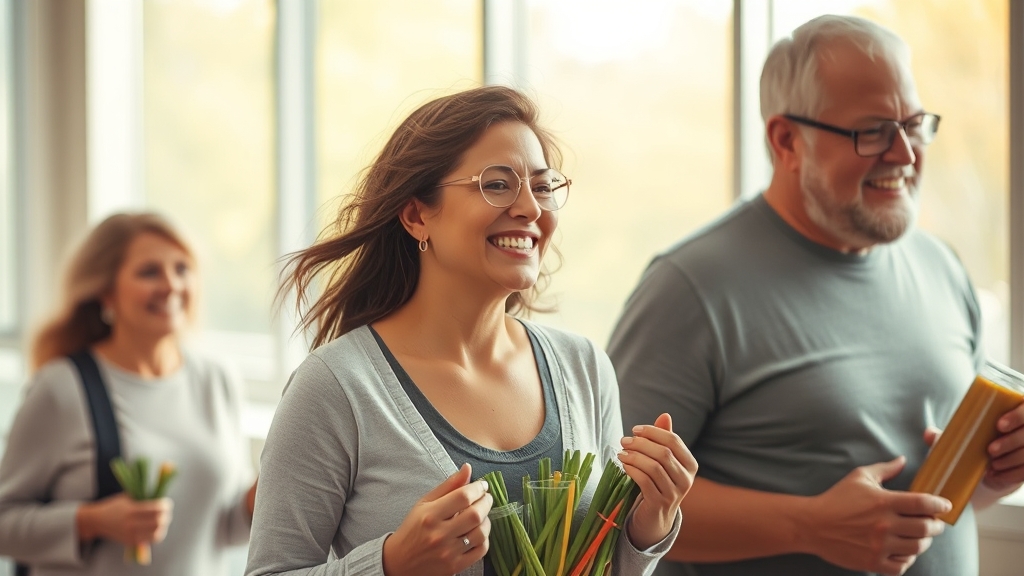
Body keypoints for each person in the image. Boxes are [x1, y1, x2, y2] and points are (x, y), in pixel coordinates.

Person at [608, 14, 1024, 576]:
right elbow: (615, 501)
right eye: (873, 131)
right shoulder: (688, 289)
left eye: (914, 124)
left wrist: (994, 474)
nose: (905, 154)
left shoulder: (941, 266)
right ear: (787, 140)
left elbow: (941, 505)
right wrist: (809, 525)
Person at [244, 85, 698, 576]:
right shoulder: (334, 387)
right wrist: (392, 564)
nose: (530, 208)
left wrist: (648, 524)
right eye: (497, 184)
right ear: (417, 215)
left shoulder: (584, 368)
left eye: (542, 187)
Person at [0, 212, 258, 575]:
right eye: (149, 272)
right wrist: (91, 521)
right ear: (106, 291)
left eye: (182, 268)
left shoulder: (217, 380)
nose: (171, 285)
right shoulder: (61, 388)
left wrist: (266, 492)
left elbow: (226, 526)